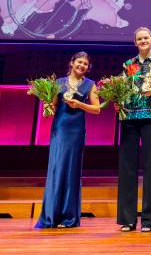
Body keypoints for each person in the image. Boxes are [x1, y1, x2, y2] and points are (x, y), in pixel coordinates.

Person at [35, 51, 100, 228]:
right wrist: (47, 105)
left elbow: (97, 109)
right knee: (57, 168)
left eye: (85, 64)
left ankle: (68, 217)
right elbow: (53, 106)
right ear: (72, 63)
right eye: (79, 62)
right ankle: (51, 216)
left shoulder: (90, 85)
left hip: (76, 130)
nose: (82, 66)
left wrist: (79, 104)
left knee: (72, 170)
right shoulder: (58, 83)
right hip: (60, 129)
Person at [117, 27, 151, 232]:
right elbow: (122, 89)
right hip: (129, 117)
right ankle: (127, 219)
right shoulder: (128, 64)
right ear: (135, 42)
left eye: (146, 37)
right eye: (139, 38)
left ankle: (148, 220)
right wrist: (117, 98)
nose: (143, 41)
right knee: (127, 169)